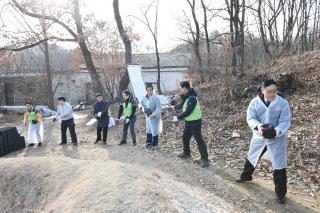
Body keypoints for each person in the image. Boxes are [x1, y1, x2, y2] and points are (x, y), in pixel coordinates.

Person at [235, 79, 291, 204]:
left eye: (274, 91)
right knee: (252, 156)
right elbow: (251, 117)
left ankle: (281, 194)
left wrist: (276, 131)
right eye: (269, 91)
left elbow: (285, 121)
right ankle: (246, 176)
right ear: (262, 90)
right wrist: (258, 126)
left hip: (276, 138)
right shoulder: (254, 103)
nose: (272, 94)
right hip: (259, 136)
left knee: (279, 164)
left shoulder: (283, 103)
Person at [167, 81, 209, 168]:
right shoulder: (187, 97)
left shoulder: (192, 98)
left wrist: (177, 117)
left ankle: (205, 159)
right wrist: (173, 107)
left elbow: (188, 111)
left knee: (199, 140)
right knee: (185, 138)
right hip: (188, 122)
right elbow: (182, 105)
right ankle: (186, 153)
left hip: (195, 123)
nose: (180, 90)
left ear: (185, 88)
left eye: (181, 88)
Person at [140, 84, 162, 149]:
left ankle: (155, 144)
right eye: (148, 90)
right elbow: (140, 104)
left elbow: (159, 108)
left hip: (154, 117)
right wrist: (143, 108)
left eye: (150, 90)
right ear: (146, 91)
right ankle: (148, 142)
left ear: (152, 90)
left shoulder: (156, 98)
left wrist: (154, 114)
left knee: (155, 130)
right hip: (148, 116)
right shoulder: (144, 98)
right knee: (148, 129)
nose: (149, 91)